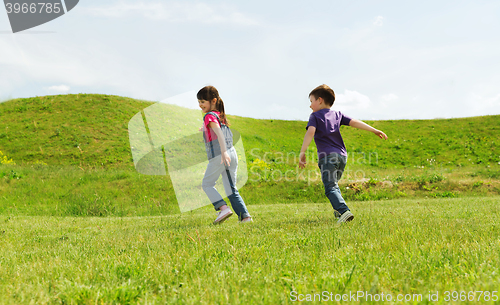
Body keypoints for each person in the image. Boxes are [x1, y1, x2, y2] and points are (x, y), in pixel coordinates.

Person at [299, 84, 388, 223]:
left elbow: (310, 131)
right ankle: (339, 213)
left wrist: (302, 152)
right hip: (342, 157)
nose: (310, 105)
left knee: (330, 187)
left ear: (320, 100)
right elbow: (355, 122)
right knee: (334, 184)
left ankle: (344, 211)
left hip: (328, 157)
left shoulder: (315, 116)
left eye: (311, 101)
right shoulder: (338, 114)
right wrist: (374, 130)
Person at [197, 86, 252, 224]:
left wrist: (223, 152)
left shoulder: (209, 116)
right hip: (231, 154)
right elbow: (218, 130)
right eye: (199, 102)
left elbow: (219, 134)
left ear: (213, 101)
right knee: (230, 189)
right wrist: (204, 129)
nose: (200, 105)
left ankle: (223, 208)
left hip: (220, 155)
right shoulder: (220, 117)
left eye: (203, 101)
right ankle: (245, 217)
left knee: (207, 184)